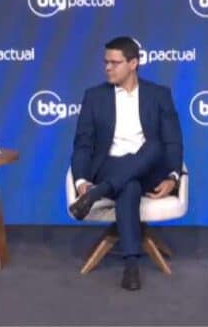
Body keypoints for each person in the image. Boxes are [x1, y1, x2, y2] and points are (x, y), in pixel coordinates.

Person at [68, 36, 184, 291]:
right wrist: (81, 180)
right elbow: (83, 144)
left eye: (114, 62)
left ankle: (96, 195)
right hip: (110, 167)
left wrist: (173, 177)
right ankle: (131, 264)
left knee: (154, 146)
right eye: (105, 62)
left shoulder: (159, 95)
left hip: (150, 168)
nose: (107, 68)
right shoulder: (94, 96)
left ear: (133, 64)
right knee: (128, 186)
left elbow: (173, 142)